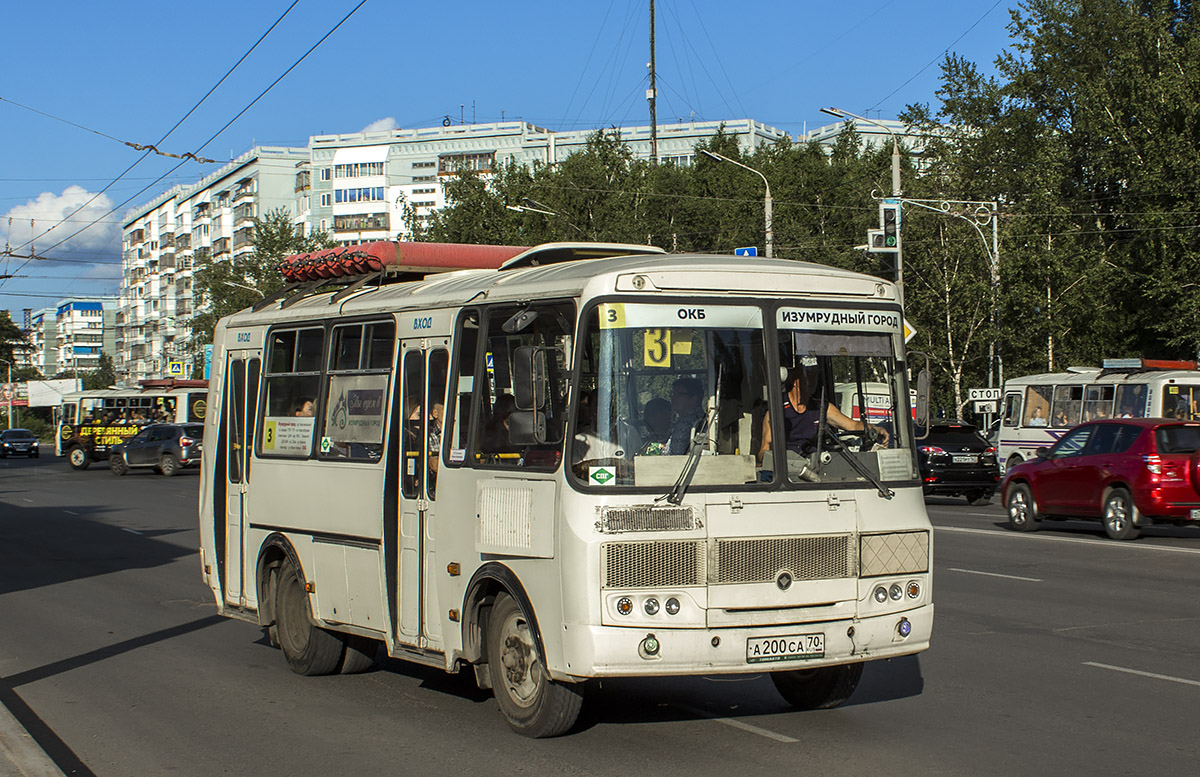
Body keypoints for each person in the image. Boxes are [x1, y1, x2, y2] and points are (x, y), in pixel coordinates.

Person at [758, 366, 889, 466]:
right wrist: (781, 462)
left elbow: (852, 425)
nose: (814, 380)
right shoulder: (777, 410)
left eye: (815, 376)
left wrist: (876, 429)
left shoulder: (821, 407)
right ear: (795, 381)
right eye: (809, 376)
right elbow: (764, 451)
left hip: (816, 467)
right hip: (787, 473)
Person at [666, 377, 706, 455]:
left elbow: (676, 454)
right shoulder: (701, 417)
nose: (673, 398)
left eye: (679, 394)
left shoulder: (685, 422)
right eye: (673, 394)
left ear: (694, 398)